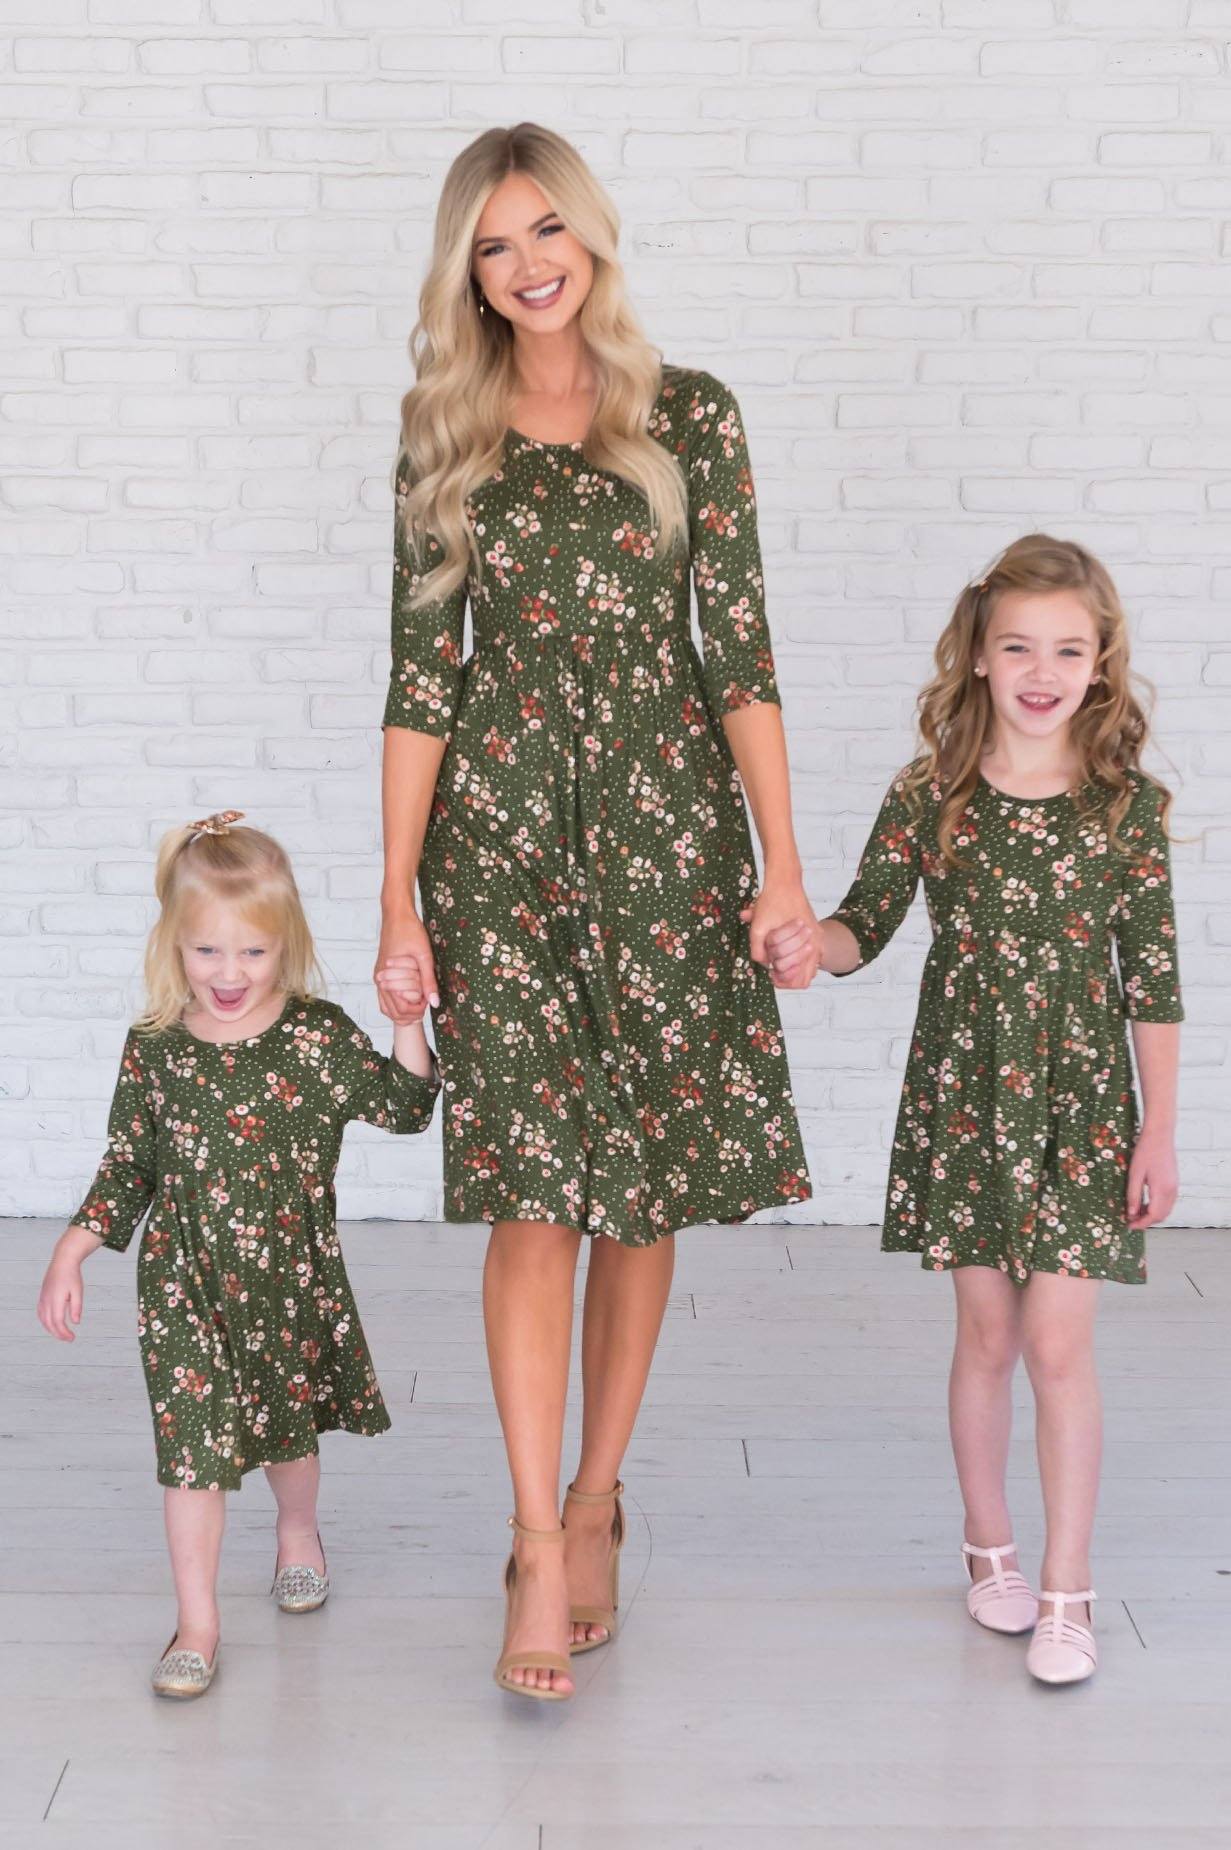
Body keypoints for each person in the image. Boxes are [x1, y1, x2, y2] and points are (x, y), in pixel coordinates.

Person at [373, 123, 816, 1700]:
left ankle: (595, 1494)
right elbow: (420, 680)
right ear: (467, 271)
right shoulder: (442, 431)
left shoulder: (688, 414)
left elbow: (738, 654)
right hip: (498, 849)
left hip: (666, 845)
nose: (525, 265)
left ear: (590, 235)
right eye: (492, 245)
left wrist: (778, 860)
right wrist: (396, 897)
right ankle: (529, 1542)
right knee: (529, 1198)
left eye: (544, 230)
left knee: (639, 1193)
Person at [767, 535, 1183, 1686]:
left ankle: (1066, 1584)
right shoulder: (931, 793)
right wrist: (805, 946)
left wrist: (1158, 1128)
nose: (1042, 671)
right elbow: (861, 925)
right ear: (980, 656)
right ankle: (987, 1545)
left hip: (1083, 1102)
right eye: (1018, 647)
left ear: (1100, 663)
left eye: (1067, 649)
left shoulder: (1124, 809)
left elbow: (1151, 981)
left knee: (1057, 1342)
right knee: (990, 1337)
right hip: (964, 1095)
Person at [37, 811, 441, 1700]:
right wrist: (72, 1250)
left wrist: (408, 1023)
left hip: (286, 1279)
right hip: (182, 1283)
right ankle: (198, 1623)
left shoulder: (315, 1036)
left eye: (253, 952)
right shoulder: (155, 1046)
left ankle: (297, 1530)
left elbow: (406, 1108)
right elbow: (129, 1164)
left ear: (285, 943)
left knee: (285, 1432)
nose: (230, 974)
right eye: (208, 952)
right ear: (174, 944)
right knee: (191, 1453)